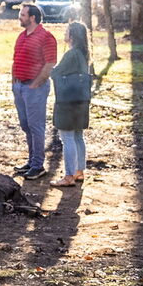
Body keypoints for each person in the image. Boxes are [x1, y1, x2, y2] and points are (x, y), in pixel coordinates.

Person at [10, 3, 56, 181]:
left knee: (36, 127)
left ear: (32, 18)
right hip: (20, 87)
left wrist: (36, 84)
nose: (19, 17)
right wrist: (14, 81)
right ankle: (31, 161)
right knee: (25, 125)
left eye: (22, 15)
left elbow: (50, 63)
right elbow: (15, 59)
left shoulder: (46, 37)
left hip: (34, 88)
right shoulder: (21, 36)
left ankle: (38, 166)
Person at [49, 21, 93, 188]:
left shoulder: (71, 54)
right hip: (81, 100)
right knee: (78, 136)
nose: (64, 33)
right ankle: (79, 171)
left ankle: (68, 176)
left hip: (68, 101)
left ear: (72, 35)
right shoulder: (83, 54)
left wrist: (53, 69)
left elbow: (56, 72)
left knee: (67, 137)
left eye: (66, 31)